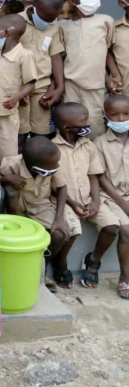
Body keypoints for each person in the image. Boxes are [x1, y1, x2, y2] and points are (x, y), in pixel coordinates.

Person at [51, 102, 119, 289]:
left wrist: (96, 201)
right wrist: (72, 203)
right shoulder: (52, 148)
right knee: (72, 231)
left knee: (112, 226)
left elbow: (93, 175)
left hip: (89, 199)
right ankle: (61, 262)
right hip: (64, 201)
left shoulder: (88, 146)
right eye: (83, 121)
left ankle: (94, 260)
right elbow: (51, 186)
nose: (88, 124)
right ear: (66, 126)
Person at [0, 137, 80, 292]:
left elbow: (62, 187)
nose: (55, 167)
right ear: (34, 166)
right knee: (10, 192)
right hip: (16, 209)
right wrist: (6, 178)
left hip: (40, 206)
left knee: (59, 235)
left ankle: (41, 268)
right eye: (52, 166)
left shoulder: (52, 163)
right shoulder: (11, 164)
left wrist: (58, 219)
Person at [60, 0, 120, 138]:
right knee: (71, 122)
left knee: (94, 123)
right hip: (70, 84)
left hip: (96, 85)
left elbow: (106, 50)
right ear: (73, 0)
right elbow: (60, 56)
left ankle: (95, 156)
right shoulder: (63, 27)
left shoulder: (106, 21)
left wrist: (114, 75)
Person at [0, 14, 37, 161]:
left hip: (7, 112)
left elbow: (31, 82)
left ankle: (10, 179)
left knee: (8, 151)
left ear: (6, 32)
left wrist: (17, 97)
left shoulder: (24, 55)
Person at [91, 95, 129, 298]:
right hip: (111, 196)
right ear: (105, 116)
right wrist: (122, 202)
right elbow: (101, 177)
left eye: (126, 114)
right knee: (125, 231)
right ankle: (125, 277)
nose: (121, 119)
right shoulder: (100, 143)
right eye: (114, 114)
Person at [17, 0, 66, 139]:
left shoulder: (54, 26)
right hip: (19, 88)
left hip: (43, 89)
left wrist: (59, 87)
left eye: (52, 18)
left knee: (42, 134)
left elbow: (55, 56)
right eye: (45, 18)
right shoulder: (16, 22)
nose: (48, 22)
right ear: (34, 6)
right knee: (19, 134)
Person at [113, 0, 129, 96]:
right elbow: (106, 54)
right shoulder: (114, 29)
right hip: (125, 96)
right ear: (123, 3)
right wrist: (115, 75)